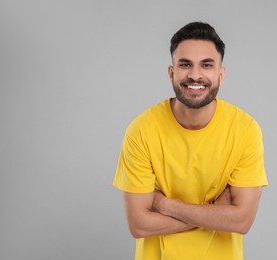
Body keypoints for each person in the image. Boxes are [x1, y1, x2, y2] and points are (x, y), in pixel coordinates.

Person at [114, 21, 268, 260]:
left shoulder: (245, 129)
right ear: (171, 72)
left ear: (221, 74)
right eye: (185, 64)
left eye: (206, 65)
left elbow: (242, 220)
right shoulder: (142, 130)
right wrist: (216, 213)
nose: (195, 75)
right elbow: (139, 225)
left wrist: (165, 205)